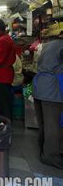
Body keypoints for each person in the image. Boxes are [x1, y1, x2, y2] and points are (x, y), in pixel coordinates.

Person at [33, 36, 63, 169]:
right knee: (53, 125)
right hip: (52, 89)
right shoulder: (61, 47)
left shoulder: (49, 45)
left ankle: (43, 148)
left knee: (44, 123)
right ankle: (50, 156)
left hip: (40, 87)